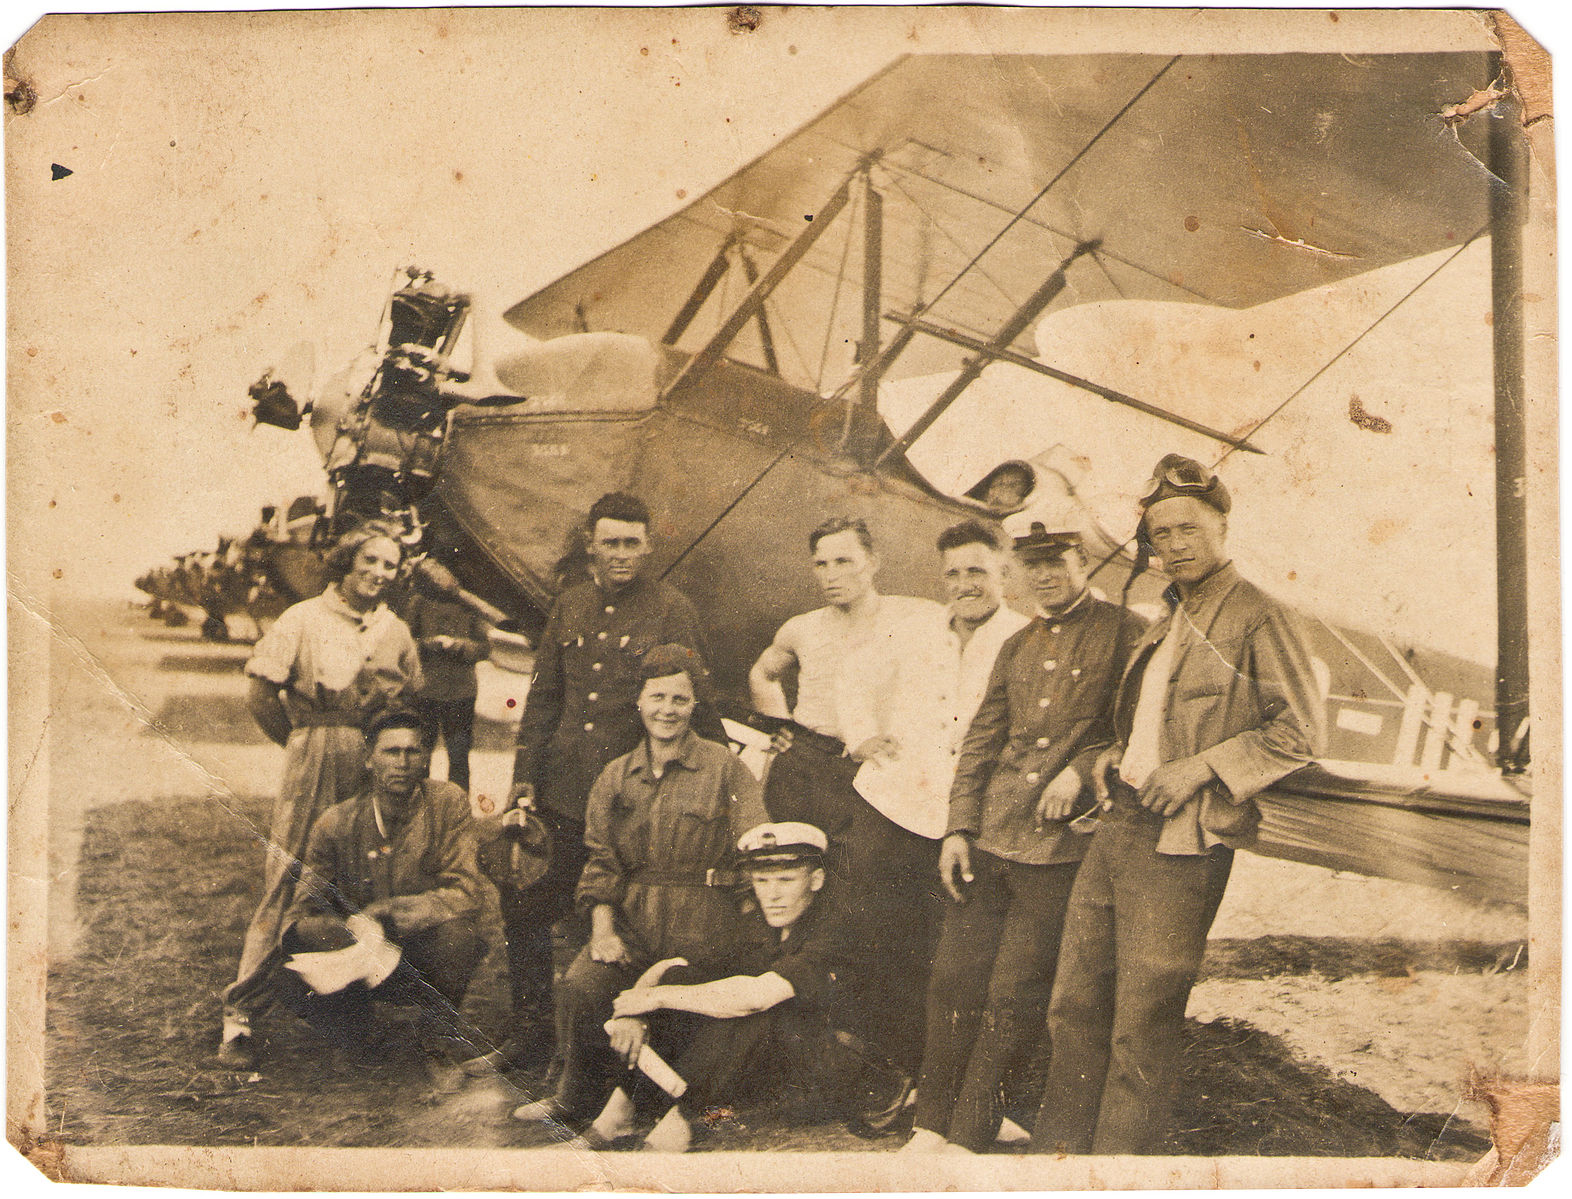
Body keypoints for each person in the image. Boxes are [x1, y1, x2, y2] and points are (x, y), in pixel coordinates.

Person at [1033, 455, 1326, 1156]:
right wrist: (1108, 755)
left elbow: (1300, 733)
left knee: (1142, 1022)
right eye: (1161, 533)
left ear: (1222, 524)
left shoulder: (1261, 614)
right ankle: (1056, 1164)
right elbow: (1137, 723)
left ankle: (1119, 1172)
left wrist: (1200, 767)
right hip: (1118, 825)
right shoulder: (1165, 617)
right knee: (1073, 1004)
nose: (1175, 544)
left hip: (1181, 844)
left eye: (1189, 527)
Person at [904, 524, 1144, 1154]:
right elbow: (982, 741)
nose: (1045, 577)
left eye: (1057, 563)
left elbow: (1134, 731)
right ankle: (930, 1126)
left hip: (1060, 848)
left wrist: (1080, 770)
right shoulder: (1017, 643)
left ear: (1084, 561)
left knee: (1016, 994)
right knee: (954, 982)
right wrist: (958, 828)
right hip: (992, 837)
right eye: (1032, 567)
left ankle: (970, 1133)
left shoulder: (1126, 633)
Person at [497, 492, 723, 1070]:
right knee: (523, 903)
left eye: (633, 543)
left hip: (632, 799)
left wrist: (719, 773)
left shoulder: (672, 609)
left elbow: (694, 701)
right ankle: (529, 1034)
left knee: (604, 922)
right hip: (563, 791)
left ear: (648, 546)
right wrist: (525, 780)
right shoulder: (569, 606)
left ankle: (591, 1050)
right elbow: (544, 698)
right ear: (591, 546)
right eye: (611, 543)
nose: (622, 554)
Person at [510, 645, 768, 1126]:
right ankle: (574, 1099)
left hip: (706, 926)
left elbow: (756, 850)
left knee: (674, 1000)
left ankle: (648, 1105)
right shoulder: (615, 776)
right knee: (583, 985)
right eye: (657, 697)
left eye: (679, 699)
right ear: (639, 702)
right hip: (634, 925)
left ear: (694, 706)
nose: (667, 710)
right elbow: (601, 864)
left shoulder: (726, 769)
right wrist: (603, 932)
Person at [573, 822, 912, 1152]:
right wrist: (634, 1011)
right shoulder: (757, 925)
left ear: (816, 880)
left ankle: (682, 1121)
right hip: (780, 1065)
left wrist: (650, 1000)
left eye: (786, 880)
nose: (773, 894)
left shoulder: (835, 928)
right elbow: (675, 967)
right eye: (762, 880)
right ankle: (620, 1112)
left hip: (841, 1070)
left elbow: (756, 998)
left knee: (758, 1010)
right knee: (687, 984)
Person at [219, 522, 423, 1068]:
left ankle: (350, 1014)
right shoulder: (303, 617)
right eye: (370, 561)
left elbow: (412, 703)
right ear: (346, 561)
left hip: (372, 765)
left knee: (365, 879)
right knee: (289, 877)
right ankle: (240, 1017)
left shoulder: (395, 630)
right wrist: (301, 741)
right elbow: (261, 692)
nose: (380, 573)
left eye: (390, 565)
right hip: (315, 754)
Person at [830, 520, 1030, 1077]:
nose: (965, 584)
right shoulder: (917, 628)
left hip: (969, 815)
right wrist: (863, 734)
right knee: (881, 928)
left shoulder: (1026, 636)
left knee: (952, 943)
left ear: (1005, 573)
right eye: (954, 573)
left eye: (977, 571)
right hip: (894, 800)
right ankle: (889, 1061)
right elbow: (854, 675)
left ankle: (944, 1071)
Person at [274, 707, 486, 1069]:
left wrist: (391, 912)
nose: (402, 762)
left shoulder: (448, 805)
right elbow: (303, 910)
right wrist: (346, 930)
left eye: (412, 751)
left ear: (425, 760)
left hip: (420, 950)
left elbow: (466, 891)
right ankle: (352, 1029)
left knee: (459, 935)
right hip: (358, 952)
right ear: (368, 759)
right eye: (391, 751)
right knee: (300, 950)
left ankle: (436, 1035)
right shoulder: (336, 823)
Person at [747, 516, 941, 883]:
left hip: (867, 770)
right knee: (788, 873)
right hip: (802, 765)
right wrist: (779, 727)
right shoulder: (802, 628)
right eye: (821, 564)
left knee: (853, 882)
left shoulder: (913, 617)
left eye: (843, 562)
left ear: (873, 562)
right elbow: (763, 674)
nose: (830, 575)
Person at [401, 560, 490, 792]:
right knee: (420, 756)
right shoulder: (418, 603)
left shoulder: (468, 604)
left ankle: (457, 811)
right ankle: (416, 807)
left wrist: (458, 646)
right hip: (425, 691)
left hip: (460, 694)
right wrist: (426, 645)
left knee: (459, 758)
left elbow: (485, 648)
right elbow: (405, 642)